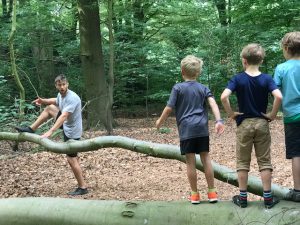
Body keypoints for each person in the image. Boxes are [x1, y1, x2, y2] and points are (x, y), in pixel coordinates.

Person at [155, 55, 225, 204]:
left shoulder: (178, 88)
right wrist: (218, 120)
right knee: (206, 158)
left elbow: (169, 108)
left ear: (182, 71)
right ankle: (212, 193)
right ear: (197, 73)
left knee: (190, 161)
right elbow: (213, 104)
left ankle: (194, 195)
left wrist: (160, 121)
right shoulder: (203, 88)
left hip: (186, 129)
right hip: (201, 129)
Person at [221, 43, 282, 208]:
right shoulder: (267, 79)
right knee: (264, 161)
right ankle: (268, 199)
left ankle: (242, 198)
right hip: (262, 123)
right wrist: (272, 115)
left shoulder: (238, 78)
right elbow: (279, 97)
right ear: (261, 60)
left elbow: (224, 97)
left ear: (244, 60)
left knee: (242, 162)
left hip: (244, 124)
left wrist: (231, 114)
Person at [16, 74, 88, 196]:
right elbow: (55, 101)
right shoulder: (61, 95)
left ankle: (83, 187)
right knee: (49, 108)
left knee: (71, 159)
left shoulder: (72, 98)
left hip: (72, 131)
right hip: (66, 125)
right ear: (56, 85)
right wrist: (43, 101)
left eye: (64, 85)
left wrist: (51, 131)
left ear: (67, 84)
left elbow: (64, 116)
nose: (62, 87)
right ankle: (31, 129)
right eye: (60, 85)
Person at [274, 32, 300, 202]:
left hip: (292, 117)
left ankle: (298, 191)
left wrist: (272, 114)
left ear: (286, 48)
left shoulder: (281, 68)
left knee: (297, 153)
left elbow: (277, 95)